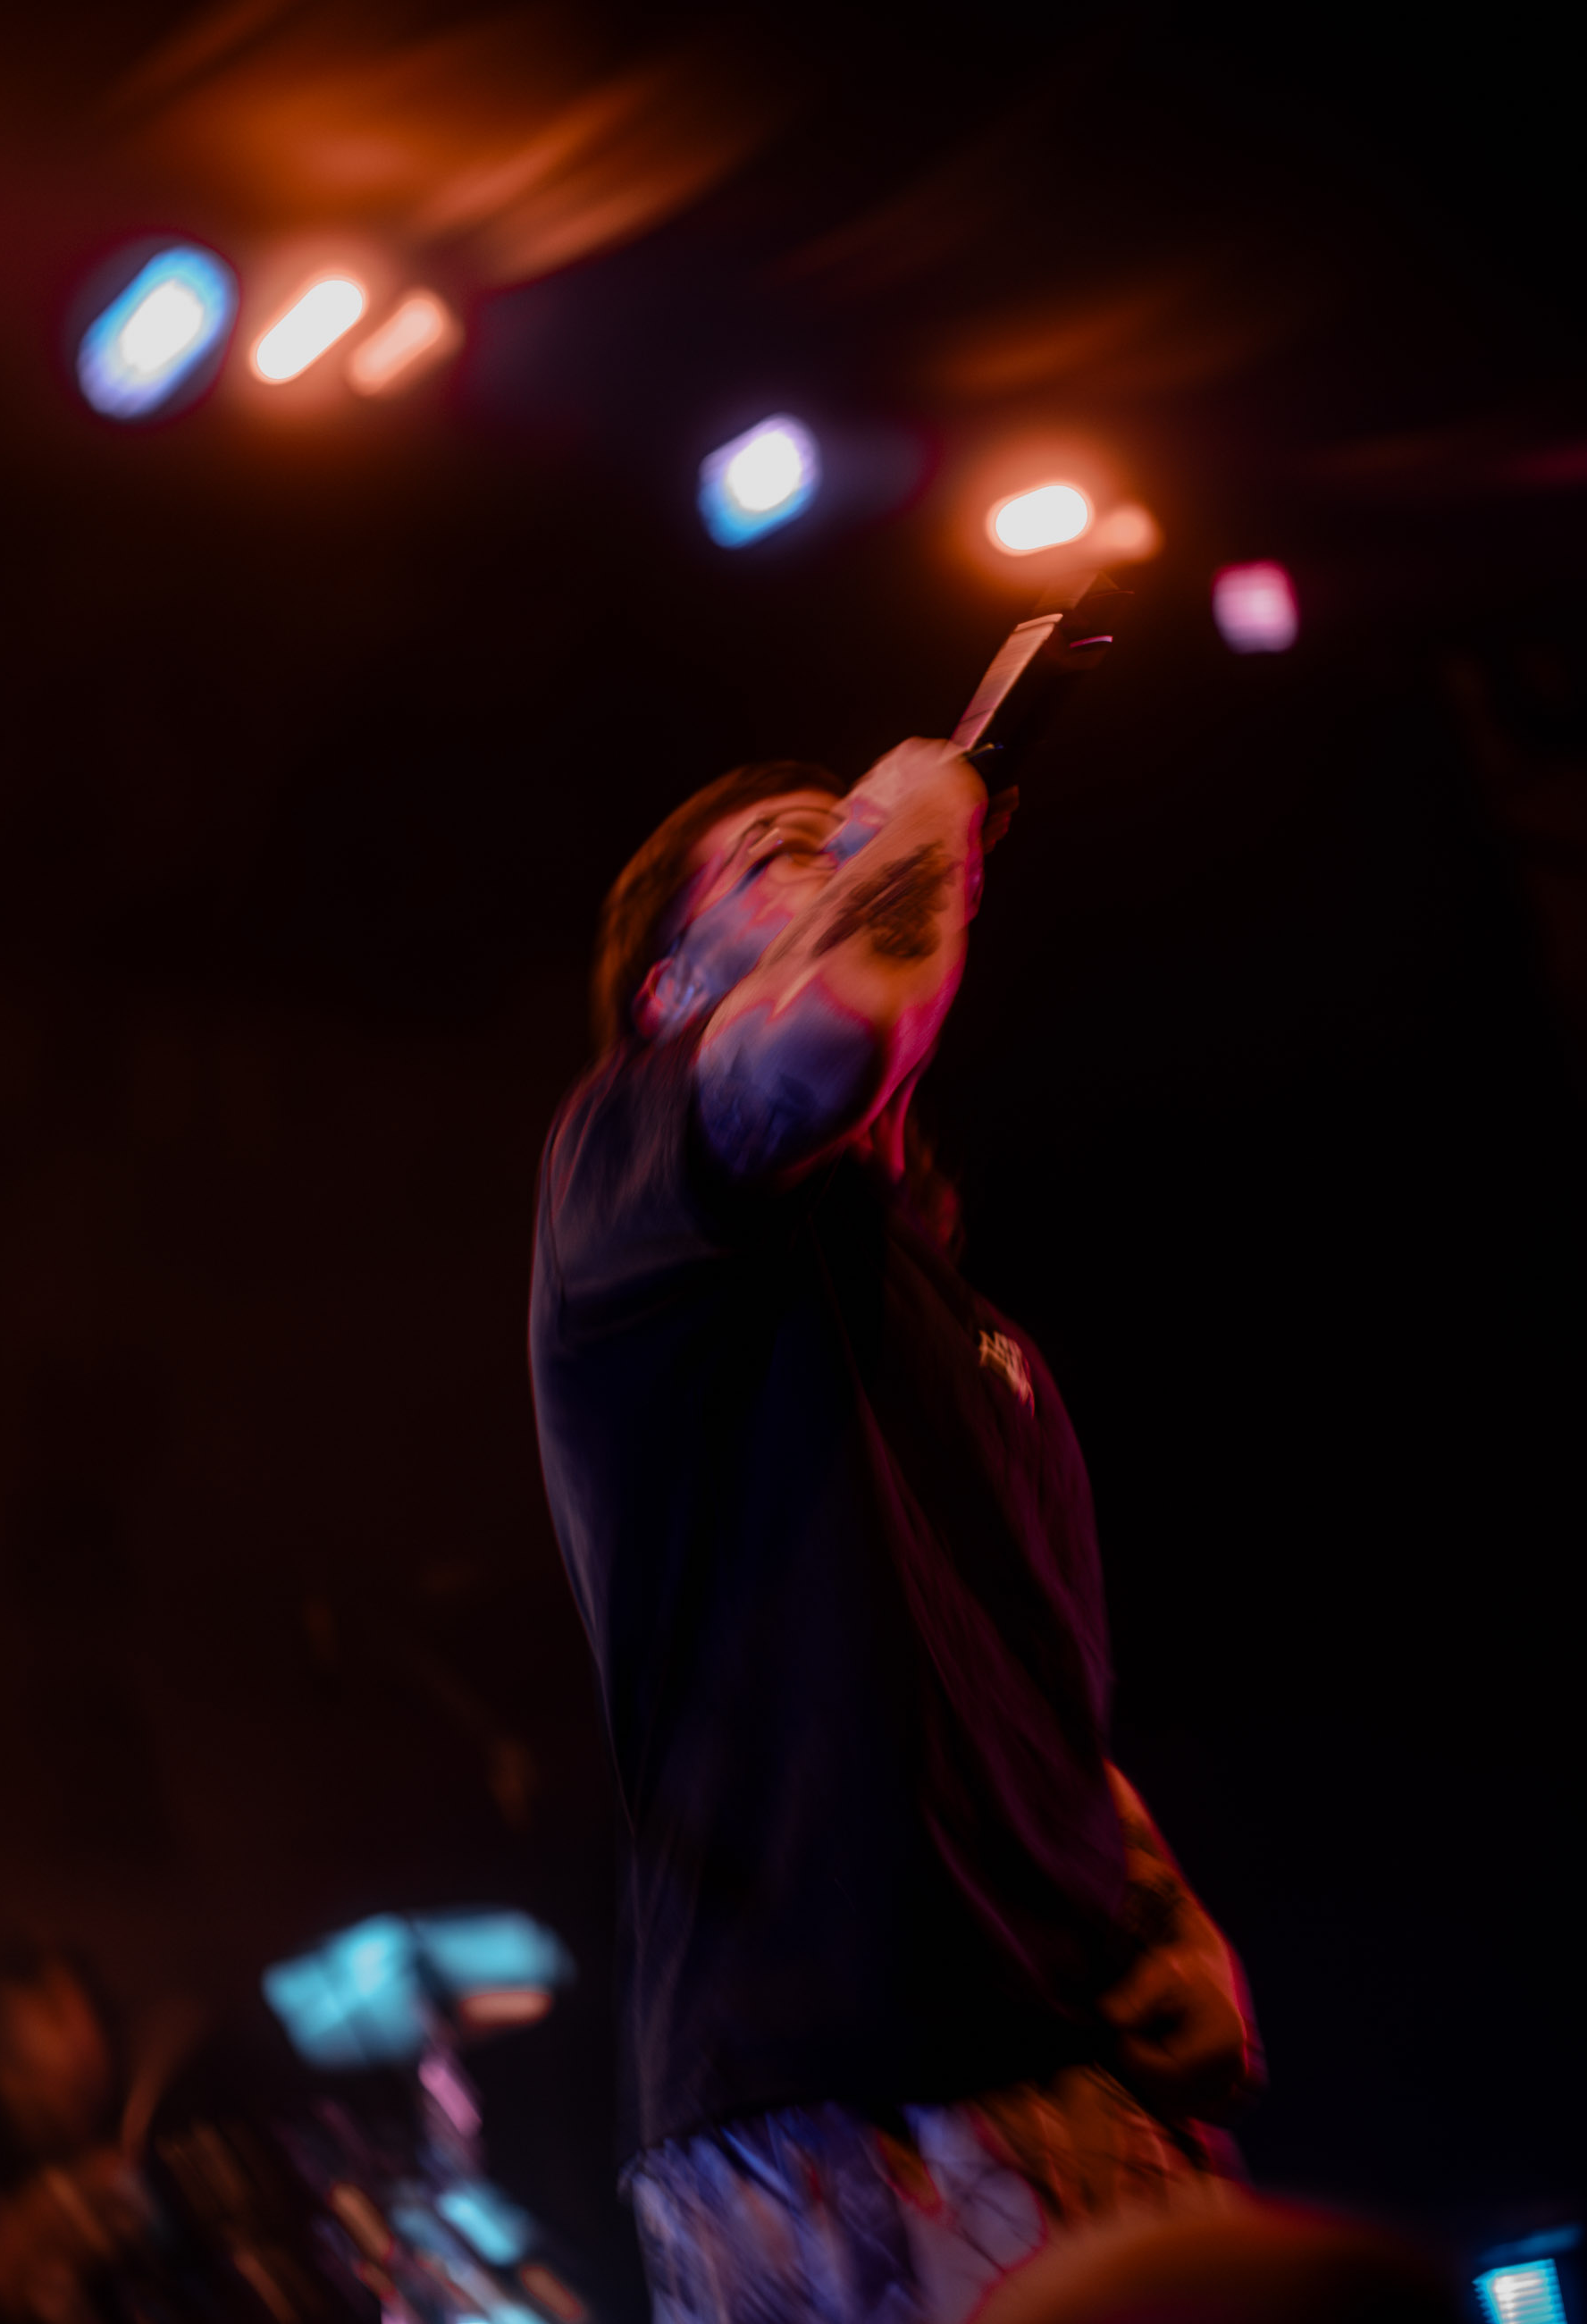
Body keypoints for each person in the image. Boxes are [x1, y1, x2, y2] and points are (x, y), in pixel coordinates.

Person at [528, 739, 1265, 2324]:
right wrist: (923, 819)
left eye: (848, 835)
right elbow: (838, 1023)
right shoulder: (625, 1171)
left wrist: (1167, 1912)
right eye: (788, 850)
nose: (848, 847)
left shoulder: (986, 1340)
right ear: (669, 995)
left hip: (1089, 2091)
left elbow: (1026, 1706)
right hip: (829, 2106)